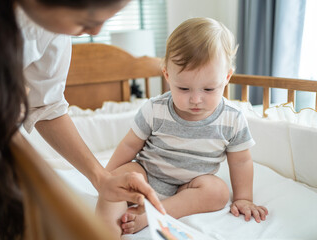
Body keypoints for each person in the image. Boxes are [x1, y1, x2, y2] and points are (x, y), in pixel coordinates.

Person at [0, 0, 165, 239]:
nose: (97, 32)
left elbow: (47, 105)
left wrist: (101, 177)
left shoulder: (53, 32)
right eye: (88, 21)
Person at [95, 17, 269, 238]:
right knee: (121, 178)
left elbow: (241, 160)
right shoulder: (155, 109)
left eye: (208, 89)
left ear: (226, 78)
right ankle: (103, 232)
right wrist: (107, 177)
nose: (196, 99)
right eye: (184, 88)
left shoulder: (232, 119)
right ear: (167, 75)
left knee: (218, 191)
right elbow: (130, 145)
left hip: (188, 188)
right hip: (147, 176)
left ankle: (152, 215)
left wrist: (244, 197)